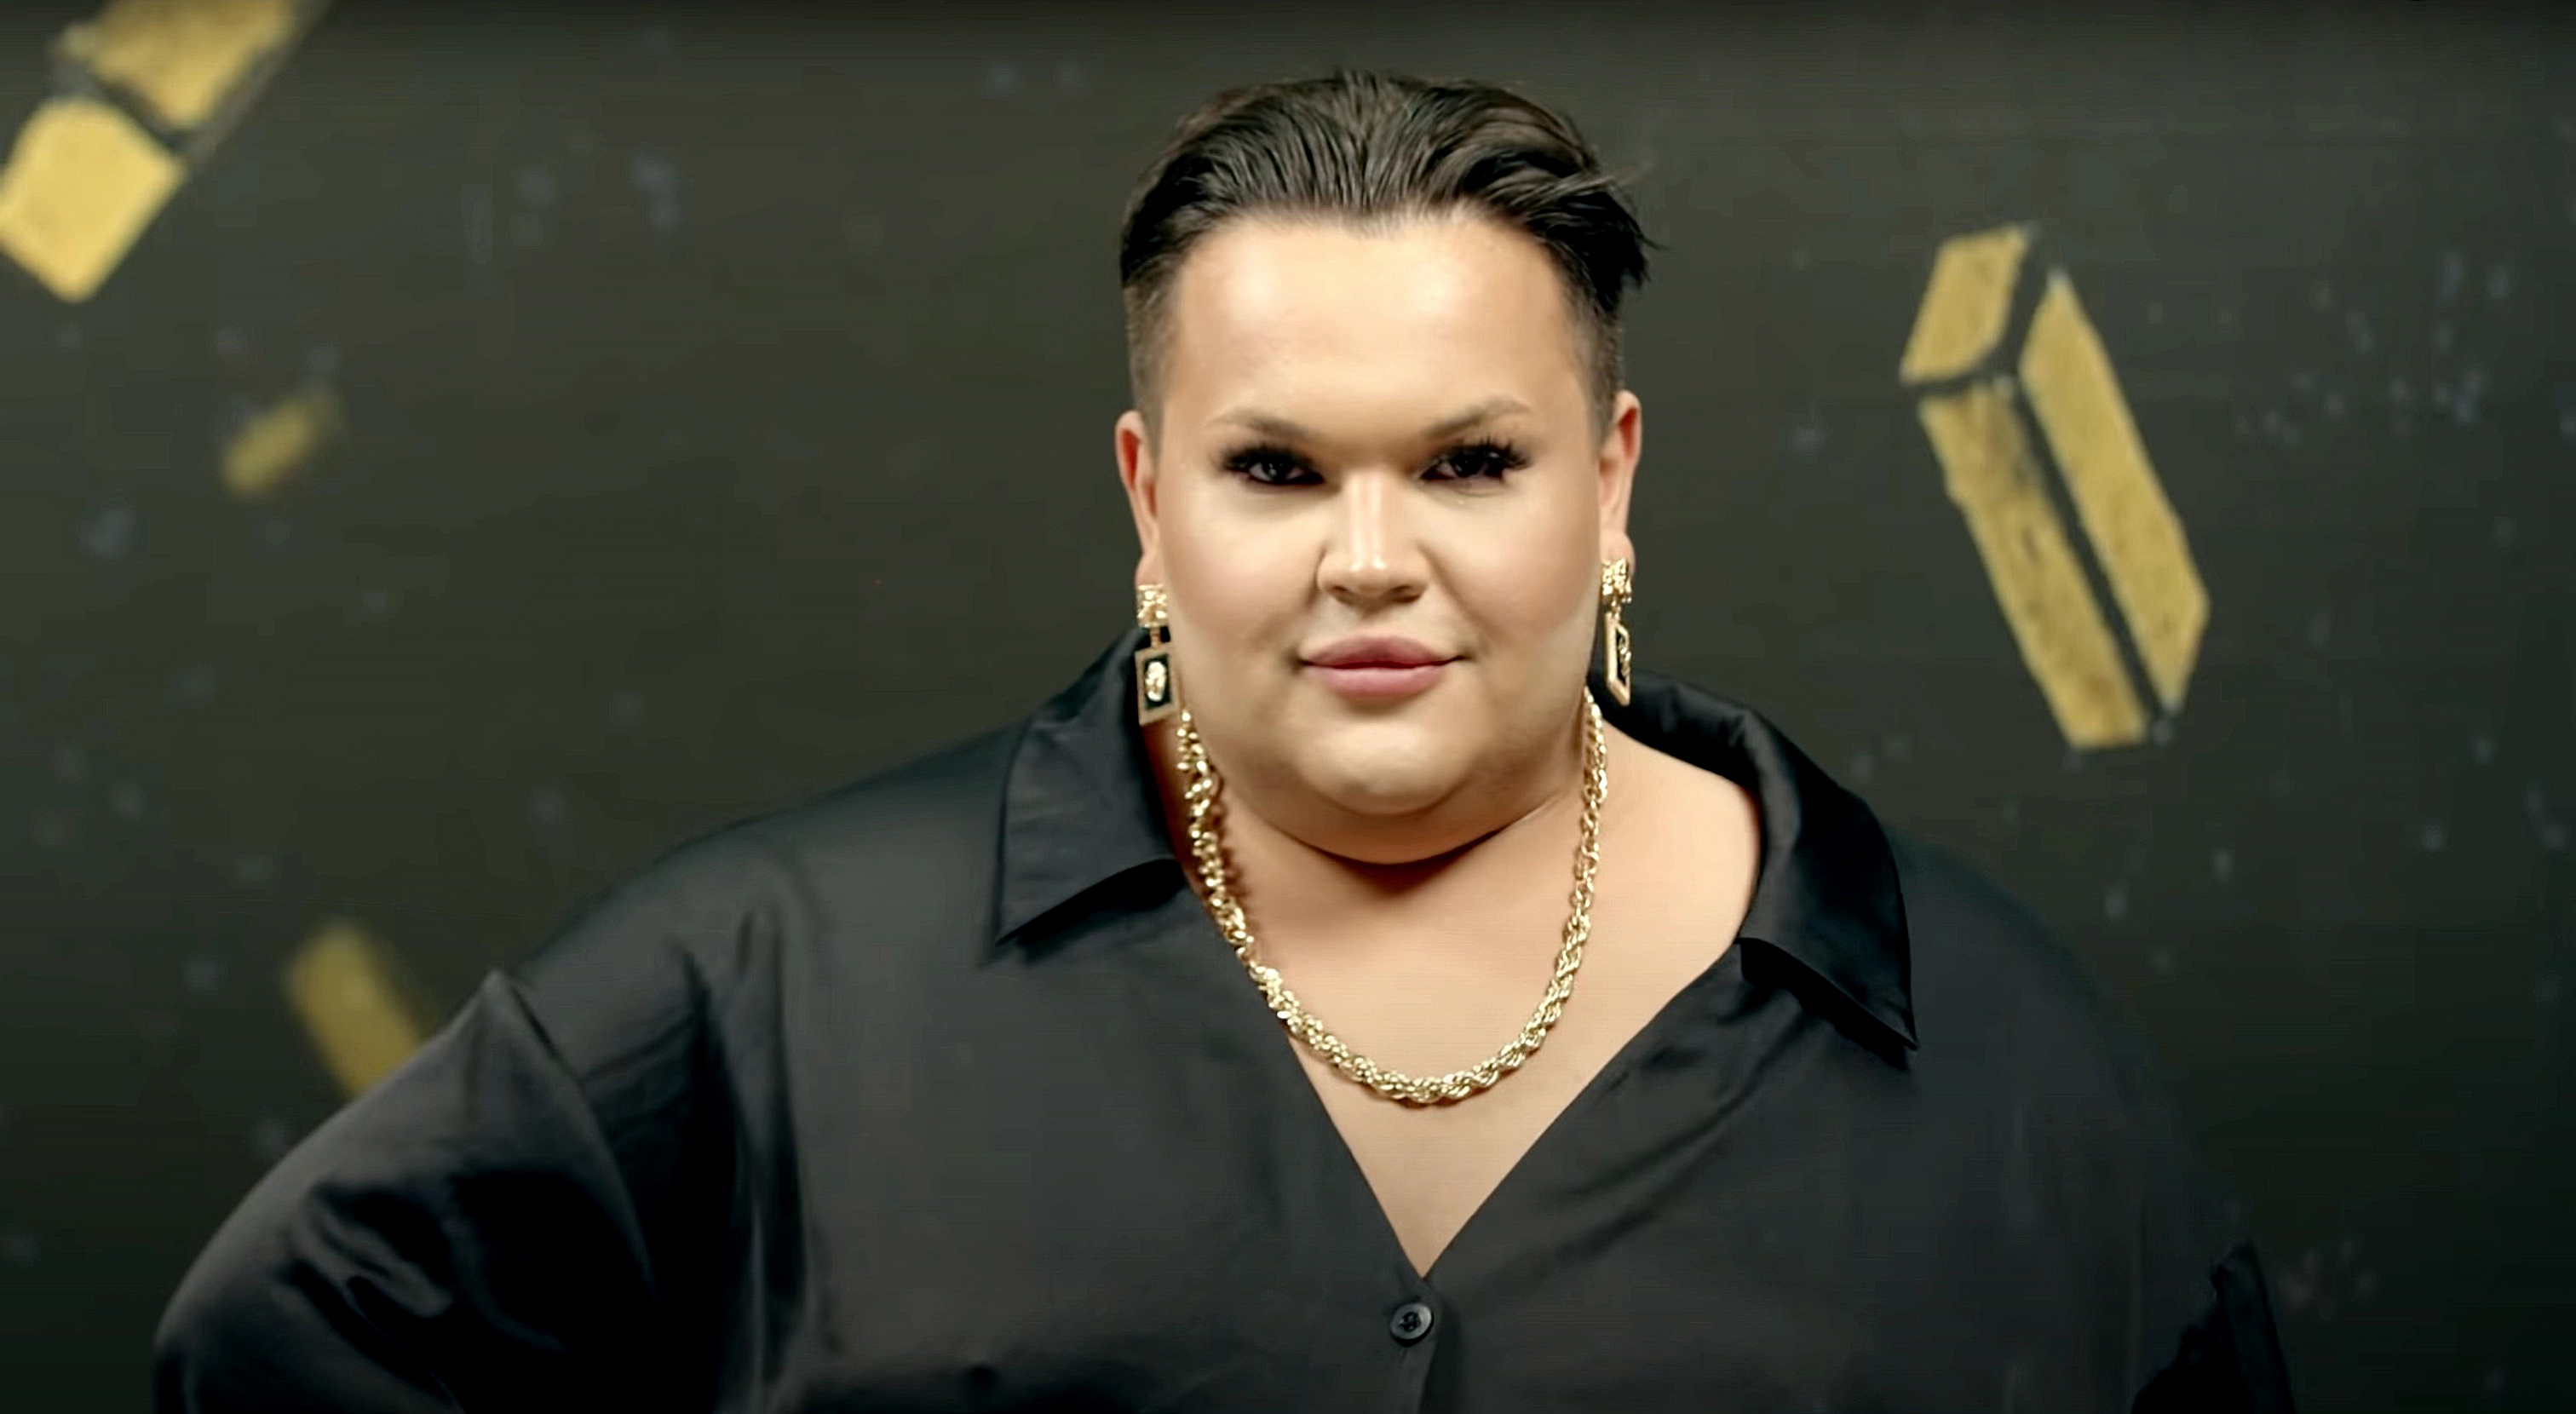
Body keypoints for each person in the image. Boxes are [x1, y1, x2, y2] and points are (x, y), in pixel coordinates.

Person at [153, 70, 2292, 1411]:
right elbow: (296, 1336)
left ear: (1614, 478)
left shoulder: (2005, 1063)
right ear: (1148, 495)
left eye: (1468, 461)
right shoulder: (772, 981)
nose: (1371, 558)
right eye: (1277, 468)